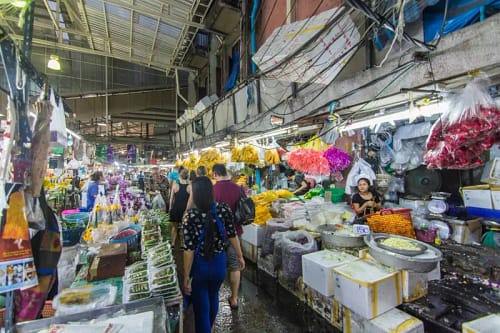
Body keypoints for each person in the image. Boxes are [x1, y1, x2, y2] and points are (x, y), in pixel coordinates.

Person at [183, 176, 245, 333]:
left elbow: (189, 250)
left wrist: (185, 277)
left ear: (196, 194)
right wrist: (239, 256)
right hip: (219, 265)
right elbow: (232, 235)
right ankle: (210, 328)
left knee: (201, 308)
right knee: (213, 296)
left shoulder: (190, 217)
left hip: (200, 268)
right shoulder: (223, 209)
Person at [212, 163, 245, 310]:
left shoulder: (212, 190)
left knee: (216, 265)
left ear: (214, 174)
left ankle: (214, 297)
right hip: (235, 234)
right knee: (234, 266)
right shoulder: (238, 188)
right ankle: (234, 298)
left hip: (216, 234)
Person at [169, 168, 190, 248]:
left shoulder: (175, 185)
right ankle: (182, 244)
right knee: (182, 228)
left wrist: (170, 208)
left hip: (176, 209)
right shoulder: (189, 187)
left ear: (180, 176)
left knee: (174, 227)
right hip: (184, 210)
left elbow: (171, 199)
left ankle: (173, 244)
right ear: (187, 176)